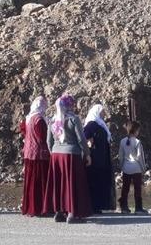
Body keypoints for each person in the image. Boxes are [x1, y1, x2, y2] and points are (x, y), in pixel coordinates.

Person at [45, 95, 92, 224]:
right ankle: (72, 213)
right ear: (70, 105)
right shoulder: (73, 119)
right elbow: (81, 139)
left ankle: (59, 212)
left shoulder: (52, 120)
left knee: (59, 183)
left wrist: (54, 153)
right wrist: (87, 154)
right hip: (71, 154)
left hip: (56, 155)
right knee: (72, 183)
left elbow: (48, 141)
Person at [20, 96, 51, 217]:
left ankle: (29, 207)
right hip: (39, 155)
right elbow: (43, 137)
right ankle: (39, 208)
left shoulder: (29, 118)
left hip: (29, 154)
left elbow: (23, 131)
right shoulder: (39, 120)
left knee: (30, 181)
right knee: (39, 182)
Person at [83, 103, 114, 214]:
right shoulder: (91, 124)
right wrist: (89, 142)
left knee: (101, 181)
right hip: (95, 158)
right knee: (94, 181)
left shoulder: (101, 124)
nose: (103, 114)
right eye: (101, 112)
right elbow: (84, 137)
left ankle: (99, 205)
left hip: (102, 157)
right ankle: (93, 205)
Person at [118, 120, 147, 214]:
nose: (138, 132)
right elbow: (140, 157)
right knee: (137, 188)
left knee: (125, 188)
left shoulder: (122, 141)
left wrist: (121, 166)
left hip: (126, 168)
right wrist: (143, 168)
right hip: (136, 168)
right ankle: (138, 208)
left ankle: (124, 207)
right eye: (138, 130)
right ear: (135, 131)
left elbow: (120, 156)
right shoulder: (137, 142)